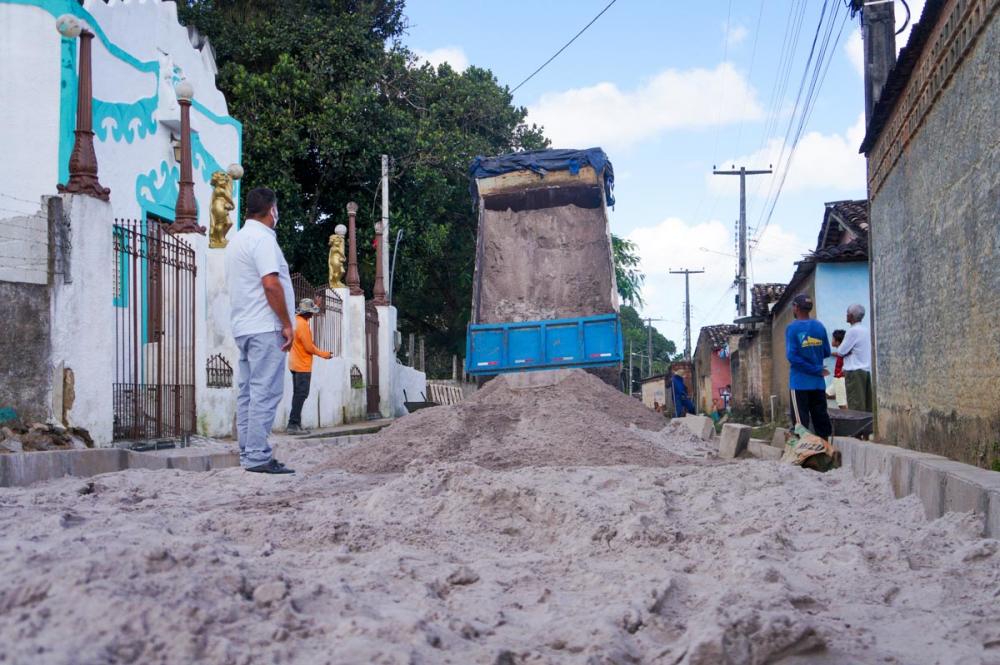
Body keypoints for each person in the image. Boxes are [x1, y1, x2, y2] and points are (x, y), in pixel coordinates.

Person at [225, 187, 296, 474]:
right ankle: (257, 456)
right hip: (265, 326)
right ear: (272, 210)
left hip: (243, 326)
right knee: (265, 392)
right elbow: (270, 284)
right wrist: (287, 323)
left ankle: (247, 452)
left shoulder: (237, 240)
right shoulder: (263, 240)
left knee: (248, 392)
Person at [785, 293, 832, 440]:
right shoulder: (819, 327)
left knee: (801, 424)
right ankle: (826, 451)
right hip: (818, 383)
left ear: (796, 307)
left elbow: (792, 357)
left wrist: (814, 369)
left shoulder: (792, 329)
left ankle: (804, 454)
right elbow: (826, 351)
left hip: (799, 383)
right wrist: (816, 365)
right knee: (821, 419)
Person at [286, 298, 333, 434]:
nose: (313, 315)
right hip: (302, 366)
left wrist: (317, 306)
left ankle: (296, 424)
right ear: (306, 313)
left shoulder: (296, 321)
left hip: (294, 364)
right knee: (301, 395)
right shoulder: (303, 326)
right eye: (311, 312)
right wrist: (323, 354)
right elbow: (309, 347)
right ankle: (293, 425)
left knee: (297, 395)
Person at [834, 303, 873, 412]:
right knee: (867, 405)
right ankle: (867, 428)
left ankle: (858, 429)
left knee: (856, 406)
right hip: (865, 370)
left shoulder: (852, 331)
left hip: (854, 372)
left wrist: (848, 351)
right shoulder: (865, 330)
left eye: (847, 313)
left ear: (851, 316)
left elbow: (841, 352)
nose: (846, 315)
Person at [826, 329, 848, 410]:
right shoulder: (841, 350)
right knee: (827, 394)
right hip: (837, 379)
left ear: (837, 342)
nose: (831, 340)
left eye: (832, 339)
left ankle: (849, 420)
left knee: (842, 405)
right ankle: (840, 395)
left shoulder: (844, 350)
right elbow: (838, 354)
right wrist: (828, 353)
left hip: (840, 379)